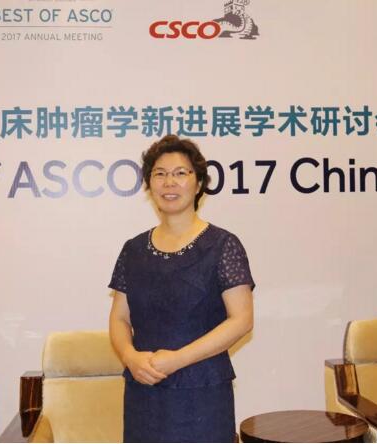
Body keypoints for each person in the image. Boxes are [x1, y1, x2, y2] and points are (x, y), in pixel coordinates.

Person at [108, 135, 255, 443]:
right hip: (144, 390)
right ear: (149, 184)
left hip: (202, 393)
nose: (169, 182)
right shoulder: (133, 250)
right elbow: (120, 317)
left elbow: (241, 320)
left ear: (198, 183)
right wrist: (130, 357)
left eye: (180, 173)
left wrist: (177, 359)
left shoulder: (223, 245)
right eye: (159, 174)